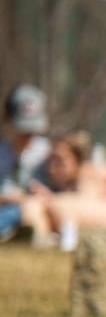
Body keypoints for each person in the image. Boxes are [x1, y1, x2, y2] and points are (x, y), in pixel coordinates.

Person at [5, 131, 106, 247]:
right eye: (51, 160)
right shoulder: (55, 185)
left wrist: (48, 198)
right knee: (32, 206)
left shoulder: (87, 175)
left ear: (77, 161)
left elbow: (85, 201)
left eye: (60, 160)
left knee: (57, 205)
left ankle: (65, 243)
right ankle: (39, 240)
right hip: (63, 225)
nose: (52, 167)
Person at [0, 84, 53, 240]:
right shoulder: (2, 152)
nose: (28, 135)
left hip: (32, 210)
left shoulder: (47, 152)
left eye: (32, 130)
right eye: (23, 130)